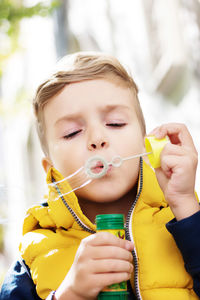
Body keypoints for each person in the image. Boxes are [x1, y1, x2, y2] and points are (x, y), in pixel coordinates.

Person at [0, 51, 200, 300]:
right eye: (72, 132)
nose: (97, 139)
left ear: (145, 144)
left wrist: (186, 207)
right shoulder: (34, 255)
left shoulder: (187, 217)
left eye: (115, 123)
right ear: (49, 168)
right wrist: (69, 294)